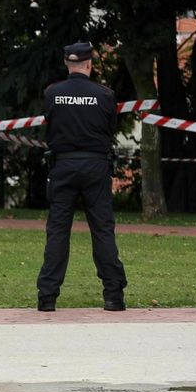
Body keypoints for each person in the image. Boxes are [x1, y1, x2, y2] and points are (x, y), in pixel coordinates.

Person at [37, 42, 127, 312]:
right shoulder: (105, 95)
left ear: (68, 63)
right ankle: (113, 296)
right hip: (96, 167)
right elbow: (110, 128)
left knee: (57, 232)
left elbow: (49, 126)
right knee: (102, 231)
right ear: (89, 64)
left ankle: (47, 297)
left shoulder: (52, 93)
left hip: (63, 167)